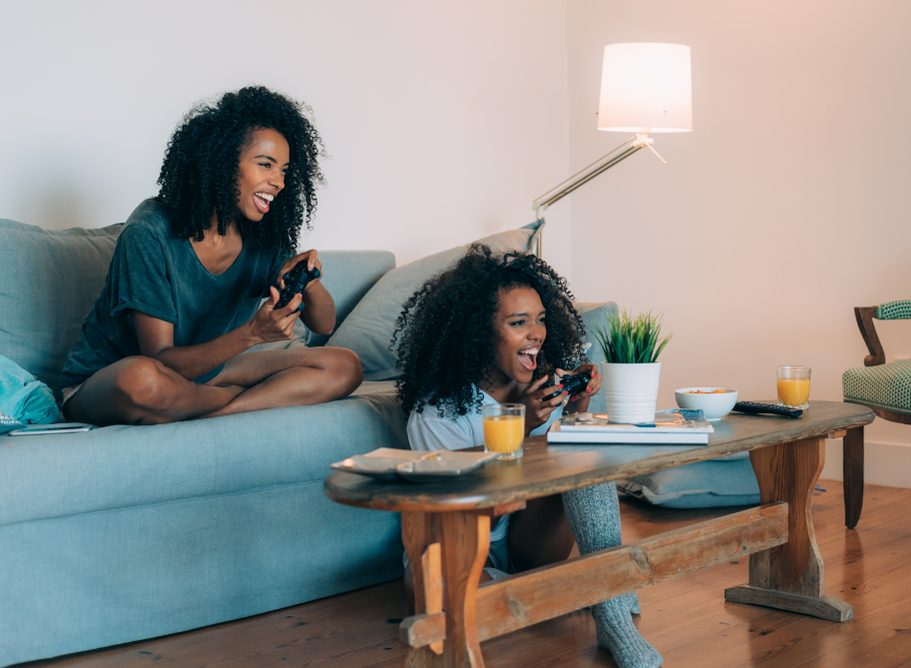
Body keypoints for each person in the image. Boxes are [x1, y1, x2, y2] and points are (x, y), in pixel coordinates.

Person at [392, 244, 661, 668]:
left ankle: (609, 612)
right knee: (433, 589)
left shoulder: (542, 386)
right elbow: (465, 509)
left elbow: (568, 476)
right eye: (519, 323)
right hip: (457, 544)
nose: (536, 334)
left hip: (524, 540)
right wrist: (521, 434)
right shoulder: (438, 412)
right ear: (478, 334)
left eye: (540, 320)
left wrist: (575, 410)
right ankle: (577, 588)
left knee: (583, 452)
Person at [60, 86, 363, 426]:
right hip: (113, 380)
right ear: (221, 162)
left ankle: (216, 410)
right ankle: (229, 402)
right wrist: (253, 334)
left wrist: (309, 280)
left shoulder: (261, 235)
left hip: (204, 374)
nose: (278, 182)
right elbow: (162, 361)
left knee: (344, 365)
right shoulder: (149, 232)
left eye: (284, 171)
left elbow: (324, 324)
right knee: (142, 380)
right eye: (265, 165)